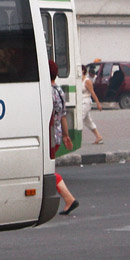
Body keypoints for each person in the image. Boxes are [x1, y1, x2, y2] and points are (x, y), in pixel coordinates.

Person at [49, 60, 79, 215]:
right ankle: (68, 199)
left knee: (46, 170)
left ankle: (69, 198)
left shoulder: (48, 92)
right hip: (58, 134)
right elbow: (63, 116)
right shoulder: (59, 90)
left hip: (50, 135)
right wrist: (66, 135)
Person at [81, 65, 104, 144]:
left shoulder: (87, 81)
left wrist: (98, 103)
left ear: (83, 71)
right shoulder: (78, 81)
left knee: (79, 119)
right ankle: (98, 137)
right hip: (81, 102)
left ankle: (74, 139)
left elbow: (92, 92)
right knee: (88, 121)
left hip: (86, 102)